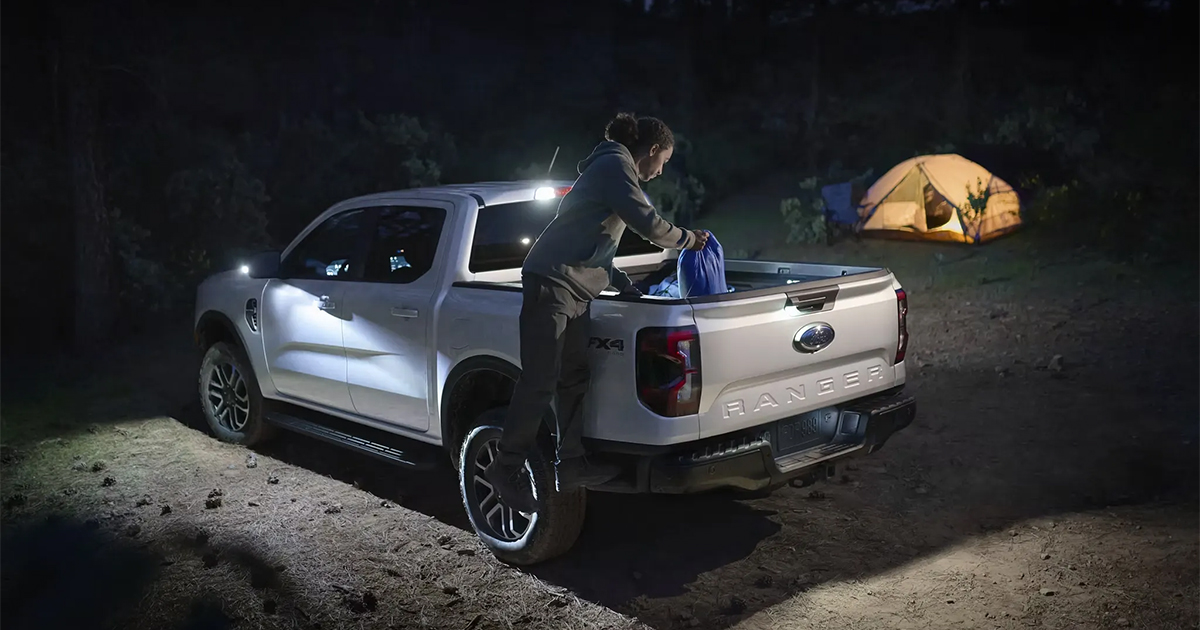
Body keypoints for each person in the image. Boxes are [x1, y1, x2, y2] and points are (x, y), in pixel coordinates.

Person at [484, 112, 709, 514]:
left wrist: (621, 282)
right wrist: (690, 240)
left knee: (574, 376)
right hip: (551, 283)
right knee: (539, 380)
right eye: (665, 161)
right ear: (653, 149)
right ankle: (506, 468)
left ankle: (570, 464)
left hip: (576, 288)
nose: (661, 171)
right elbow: (650, 225)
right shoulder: (614, 166)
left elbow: (592, 240)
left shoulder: (612, 170)